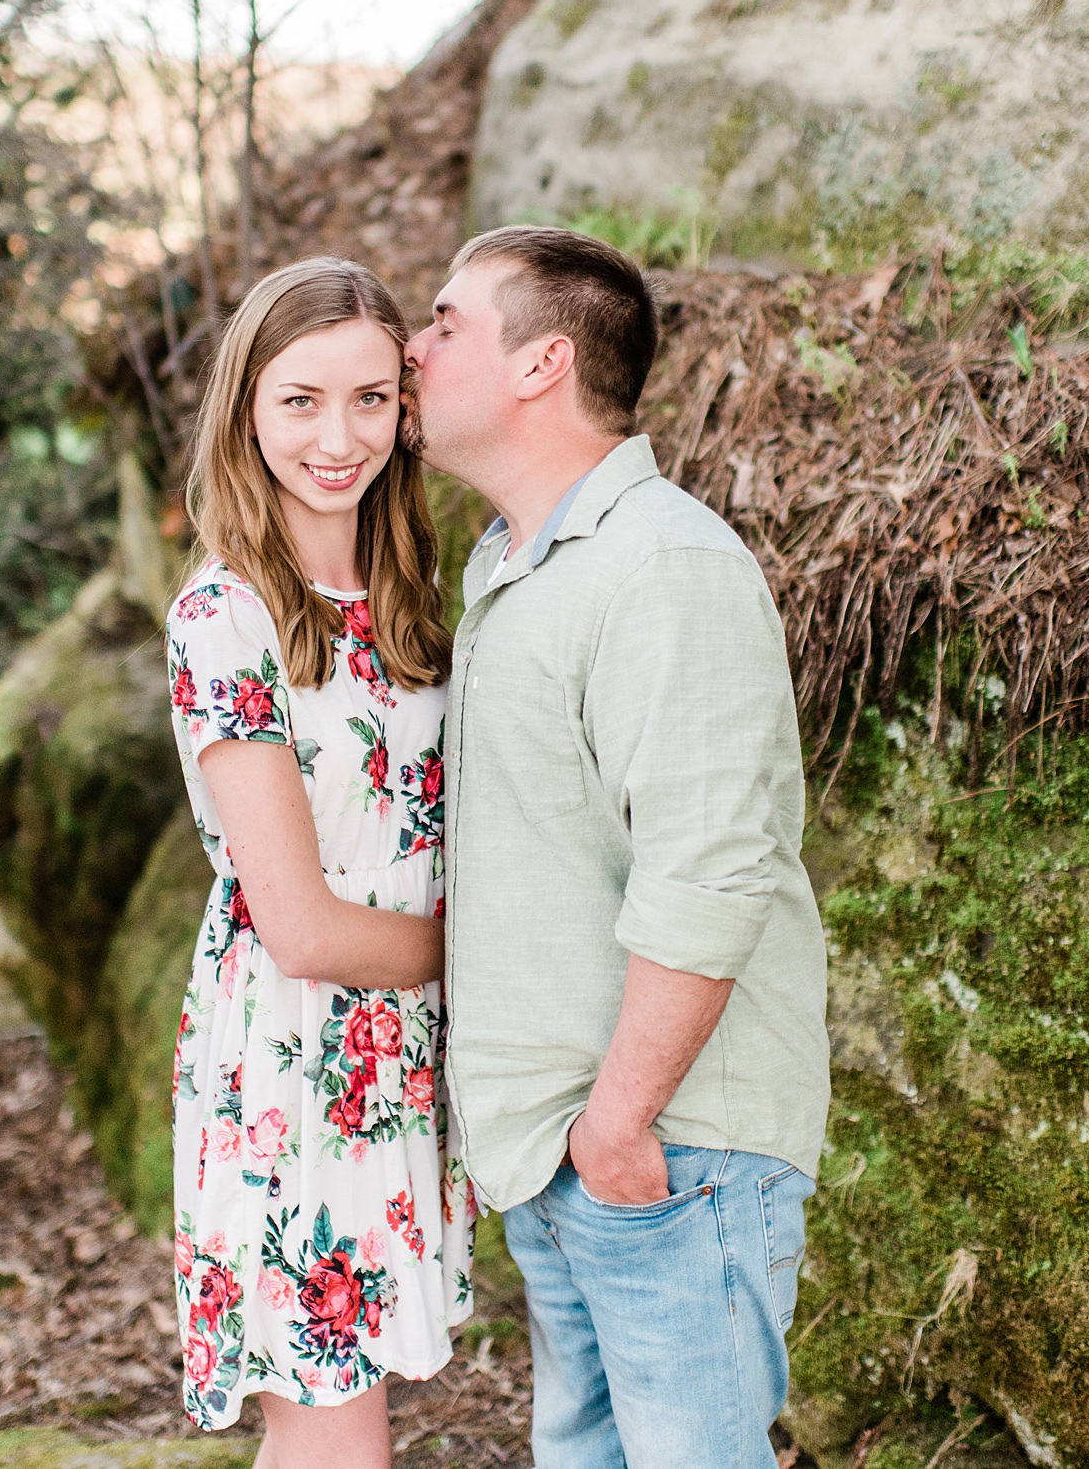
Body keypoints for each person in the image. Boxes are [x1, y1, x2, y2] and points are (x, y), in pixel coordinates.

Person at [402, 224, 831, 1469]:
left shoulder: (664, 566)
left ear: (539, 364)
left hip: (662, 1156)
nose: (412, 347)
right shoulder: (515, 567)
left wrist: (622, 1126)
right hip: (564, 1159)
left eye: (443, 323)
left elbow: (711, 869)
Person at [165, 257, 474, 1469]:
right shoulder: (226, 615)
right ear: (247, 406)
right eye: (299, 400)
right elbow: (297, 924)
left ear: (406, 408)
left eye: (367, 398)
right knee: (339, 1431)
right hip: (299, 1057)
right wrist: (502, 958)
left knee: (335, 1417)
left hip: (404, 1045)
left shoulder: (413, 597)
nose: (337, 436)